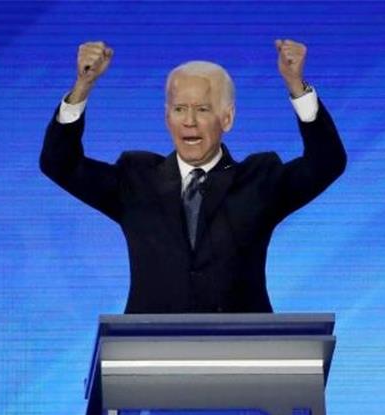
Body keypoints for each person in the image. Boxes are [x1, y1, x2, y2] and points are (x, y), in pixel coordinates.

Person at [40, 40, 347, 313]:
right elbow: (60, 164)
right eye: (179, 109)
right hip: (149, 358)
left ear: (227, 118)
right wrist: (82, 86)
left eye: (202, 109)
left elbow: (327, 162)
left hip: (244, 357)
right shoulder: (136, 179)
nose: (189, 121)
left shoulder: (260, 180)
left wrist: (297, 87)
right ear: (166, 117)